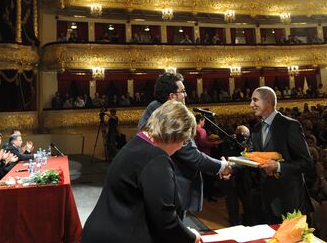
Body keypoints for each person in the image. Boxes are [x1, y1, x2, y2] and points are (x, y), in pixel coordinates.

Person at [82, 101, 201, 243]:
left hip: (100, 231)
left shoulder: (136, 143)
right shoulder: (157, 159)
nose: (182, 147)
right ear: (177, 134)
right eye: (185, 141)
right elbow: (165, 221)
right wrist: (191, 237)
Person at [137, 72, 231, 213]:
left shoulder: (153, 108)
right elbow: (192, 155)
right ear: (172, 96)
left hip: (155, 184)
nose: (185, 95)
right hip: (171, 188)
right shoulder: (170, 117)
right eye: (182, 91)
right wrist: (222, 166)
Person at [249, 86, 314, 223]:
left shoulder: (290, 125)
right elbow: (252, 157)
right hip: (267, 201)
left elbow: (306, 163)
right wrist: (230, 166)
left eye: (255, 100)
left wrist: (278, 166)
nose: (251, 105)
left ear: (267, 101)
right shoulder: (255, 129)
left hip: (291, 202)